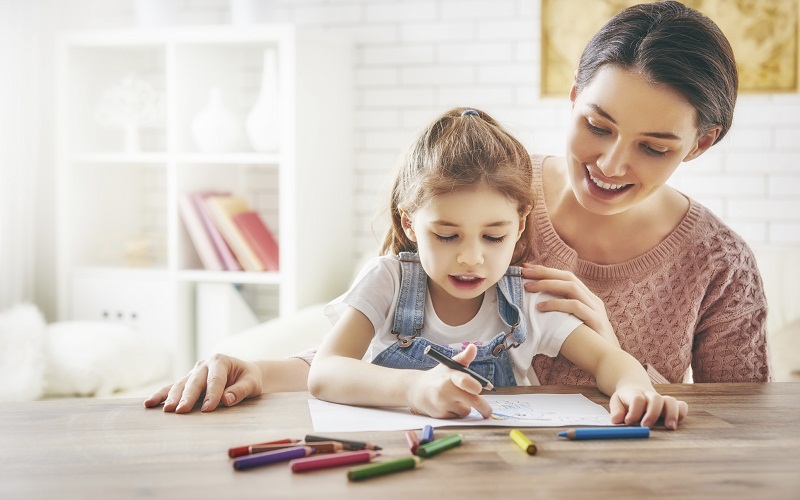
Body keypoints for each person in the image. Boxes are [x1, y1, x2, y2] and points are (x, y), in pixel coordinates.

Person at [144, 0, 768, 415]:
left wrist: (631, 370)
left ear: (699, 144)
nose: (610, 164)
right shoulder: (485, 189)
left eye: (654, 147)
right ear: (574, 96)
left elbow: (745, 427)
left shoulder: (720, 265)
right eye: (596, 125)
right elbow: (387, 337)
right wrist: (259, 369)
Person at [304, 106, 686, 429]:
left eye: (493, 237)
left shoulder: (529, 300)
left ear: (519, 226)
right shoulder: (387, 281)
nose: (471, 258)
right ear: (409, 224)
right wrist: (413, 389)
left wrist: (636, 388)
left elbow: (607, 358)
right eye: (447, 236)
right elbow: (326, 372)